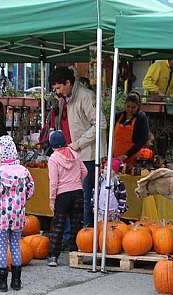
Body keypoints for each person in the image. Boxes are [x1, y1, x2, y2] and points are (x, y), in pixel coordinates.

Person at [50, 66, 106, 227]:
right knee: (73, 197)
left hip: (87, 155)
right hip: (73, 153)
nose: (58, 92)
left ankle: (86, 232)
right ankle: (75, 235)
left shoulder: (86, 97)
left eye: (59, 88)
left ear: (68, 83)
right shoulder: (65, 98)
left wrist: (79, 143)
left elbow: (100, 123)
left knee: (85, 197)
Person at [0, 136, 34, 293]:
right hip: (18, 215)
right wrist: (20, 199)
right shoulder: (24, 171)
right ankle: (16, 281)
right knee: (16, 245)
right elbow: (30, 191)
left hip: (2, 217)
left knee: (1, 247)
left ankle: (1, 282)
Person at [47, 130, 87, 267]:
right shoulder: (75, 154)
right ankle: (74, 253)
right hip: (77, 192)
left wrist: (52, 199)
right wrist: (77, 182)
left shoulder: (53, 159)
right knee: (77, 224)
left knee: (58, 225)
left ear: (52, 146)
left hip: (62, 195)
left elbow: (53, 181)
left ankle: (53, 256)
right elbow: (85, 171)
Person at [112, 92, 149, 167]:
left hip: (132, 157)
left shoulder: (141, 117)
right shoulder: (118, 116)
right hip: (115, 156)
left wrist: (126, 155)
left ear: (138, 107)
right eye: (128, 106)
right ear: (124, 105)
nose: (130, 109)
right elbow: (110, 135)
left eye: (133, 107)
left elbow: (143, 139)